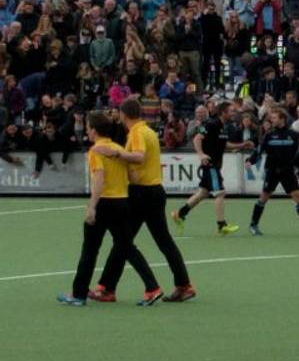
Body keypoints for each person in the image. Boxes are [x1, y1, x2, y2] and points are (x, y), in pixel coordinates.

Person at [92, 98, 195, 303]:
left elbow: (138, 157)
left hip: (142, 193)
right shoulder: (148, 131)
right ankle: (184, 285)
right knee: (161, 241)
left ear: (123, 114)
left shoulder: (137, 133)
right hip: (154, 191)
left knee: (123, 241)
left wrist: (115, 153)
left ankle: (107, 288)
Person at [57, 112, 164, 307]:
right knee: (127, 247)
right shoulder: (118, 149)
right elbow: (133, 177)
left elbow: (99, 179)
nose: (87, 131)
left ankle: (79, 294)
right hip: (122, 203)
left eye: (88, 128)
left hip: (104, 203)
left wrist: (92, 206)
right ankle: (152, 287)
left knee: (90, 250)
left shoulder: (96, 150)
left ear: (94, 131)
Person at [172, 101, 252, 235]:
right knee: (220, 193)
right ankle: (222, 225)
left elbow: (225, 144)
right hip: (211, 165)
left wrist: (242, 145)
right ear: (223, 112)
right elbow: (197, 138)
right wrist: (201, 154)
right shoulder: (211, 124)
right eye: (231, 111)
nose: (234, 113)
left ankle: (180, 214)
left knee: (203, 193)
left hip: (215, 165)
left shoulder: (223, 126)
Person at [246, 108, 299, 236]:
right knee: (264, 197)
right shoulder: (269, 135)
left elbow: (297, 154)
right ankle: (253, 225)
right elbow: (259, 150)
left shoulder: (294, 135)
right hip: (272, 170)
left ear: (282, 119)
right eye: (271, 118)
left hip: (287, 170)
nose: (272, 120)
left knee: (298, 196)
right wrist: (251, 160)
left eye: (274, 118)